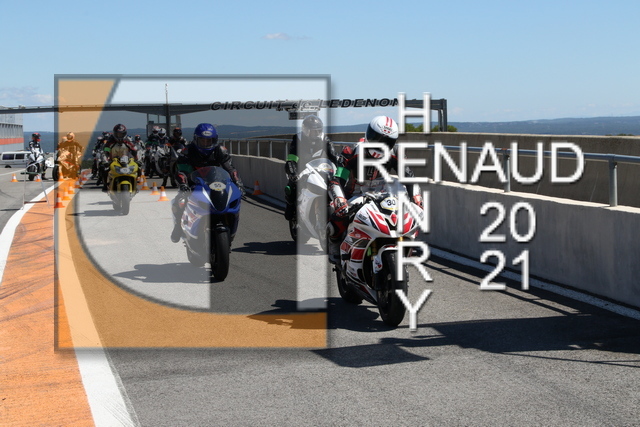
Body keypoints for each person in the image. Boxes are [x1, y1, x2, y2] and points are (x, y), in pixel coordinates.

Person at [326, 116, 424, 263]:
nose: (380, 144)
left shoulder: (396, 152)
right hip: (356, 195)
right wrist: (340, 199)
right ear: (368, 133)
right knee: (337, 220)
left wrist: (416, 198)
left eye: (386, 141)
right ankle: (334, 245)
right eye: (377, 138)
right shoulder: (351, 151)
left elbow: (409, 178)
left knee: (411, 215)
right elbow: (337, 179)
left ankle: (408, 243)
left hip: (384, 195)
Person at [170, 123, 245, 243]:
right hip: (193, 183)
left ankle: (230, 226)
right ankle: (178, 227)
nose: (205, 143)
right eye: (202, 140)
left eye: (208, 141)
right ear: (196, 139)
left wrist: (238, 183)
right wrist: (183, 184)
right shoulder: (187, 151)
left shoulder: (221, 151)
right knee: (179, 201)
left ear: (214, 140)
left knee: (233, 200)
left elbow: (230, 169)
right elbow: (181, 171)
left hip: (215, 182)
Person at [283, 115, 340, 221]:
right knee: (291, 187)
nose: (316, 133)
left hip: (319, 168)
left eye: (318, 131)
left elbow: (334, 156)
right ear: (305, 130)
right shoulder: (298, 139)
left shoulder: (325, 139)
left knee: (333, 185)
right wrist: (293, 173)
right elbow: (291, 158)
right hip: (301, 169)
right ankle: (290, 206)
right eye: (313, 131)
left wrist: (338, 170)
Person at [102, 124, 139, 190]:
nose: (120, 136)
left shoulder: (128, 140)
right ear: (114, 134)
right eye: (118, 134)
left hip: (127, 160)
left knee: (138, 168)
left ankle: (135, 184)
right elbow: (105, 151)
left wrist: (137, 159)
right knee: (104, 169)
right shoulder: (110, 141)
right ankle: (105, 185)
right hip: (113, 161)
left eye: (121, 134)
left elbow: (134, 149)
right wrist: (105, 161)